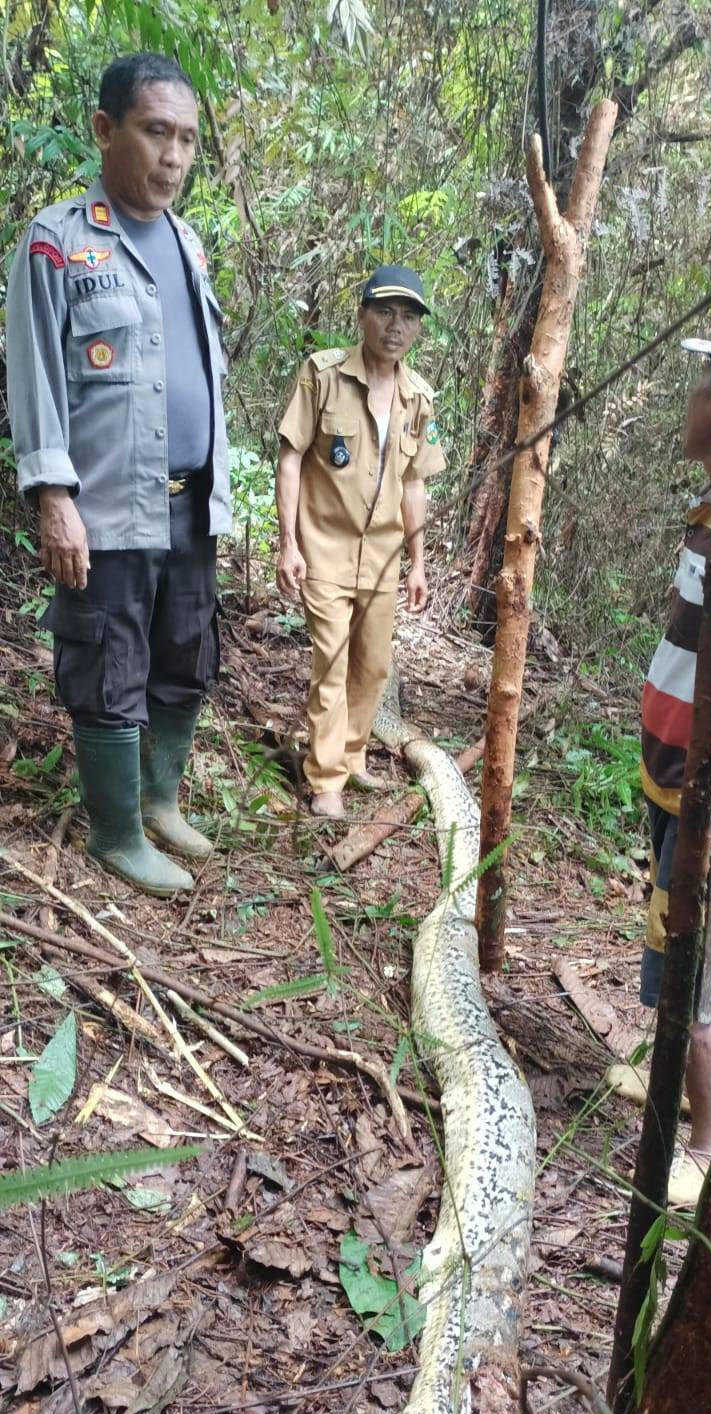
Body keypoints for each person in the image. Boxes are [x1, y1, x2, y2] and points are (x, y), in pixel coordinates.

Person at [6, 52, 232, 896]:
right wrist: (53, 495)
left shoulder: (189, 244)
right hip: (105, 503)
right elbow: (32, 379)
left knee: (185, 652)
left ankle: (160, 799)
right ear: (106, 131)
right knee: (108, 661)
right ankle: (115, 831)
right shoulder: (57, 241)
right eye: (154, 132)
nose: (172, 156)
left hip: (190, 501)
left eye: (186, 139)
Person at [274, 265, 446, 819]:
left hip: (384, 556)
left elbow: (414, 483)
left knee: (372, 666)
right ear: (363, 315)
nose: (396, 326)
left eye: (409, 317)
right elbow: (290, 455)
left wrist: (418, 562)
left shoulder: (419, 398)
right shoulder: (322, 374)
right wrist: (288, 543)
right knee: (331, 659)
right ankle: (324, 780)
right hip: (323, 544)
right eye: (385, 312)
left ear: (418, 329)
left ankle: (349, 757)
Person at [611, 338, 711, 1207]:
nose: (687, 400)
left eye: (696, 386)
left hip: (706, 786)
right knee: (667, 927)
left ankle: (706, 1137)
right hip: (672, 766)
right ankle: (670, 1074)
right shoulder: (710, 503)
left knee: (699, 962)